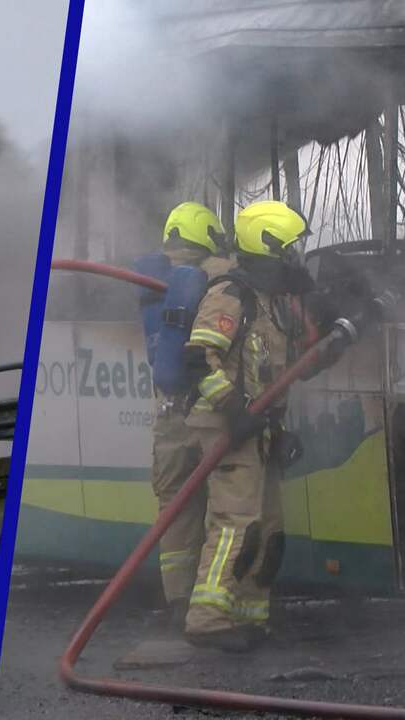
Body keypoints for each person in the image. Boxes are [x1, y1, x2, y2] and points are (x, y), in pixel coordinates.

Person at [179, 199, 312, 650]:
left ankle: (249, 615)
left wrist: (276, 426)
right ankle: (207, 619)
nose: (296, 258)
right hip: (228, 427)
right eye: (290, 249)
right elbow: (199, 359)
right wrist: (235, 410)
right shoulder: (230, 295)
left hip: (258, 430)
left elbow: (274, 374)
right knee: (234, 524)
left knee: (267, 529)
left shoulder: (269, 302)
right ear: (268, 246)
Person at [151, 201, 235, 625]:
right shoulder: (215, 272)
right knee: (225, 506)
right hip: (204, 411)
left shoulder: (153, 277)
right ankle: (213, 603)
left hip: (167, 415)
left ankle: (177, 600)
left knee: (174, 506)